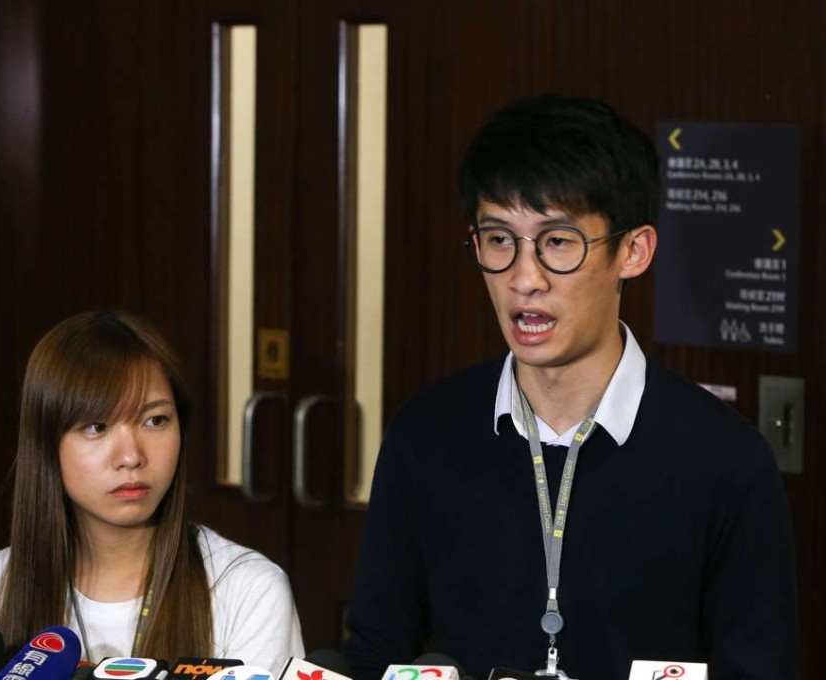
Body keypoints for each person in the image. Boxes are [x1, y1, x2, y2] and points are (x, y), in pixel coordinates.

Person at [341, 94, 799, 680]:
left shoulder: (725, 459)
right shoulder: (426, 434)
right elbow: (376, 649)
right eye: (499, 240)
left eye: (558, 242)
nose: (524, 279)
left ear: (633, 251)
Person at [0, 311, 304, 669]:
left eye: (155, 420)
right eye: (97, 427)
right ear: (46, 443)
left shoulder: (248, 589)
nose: (131, 456)